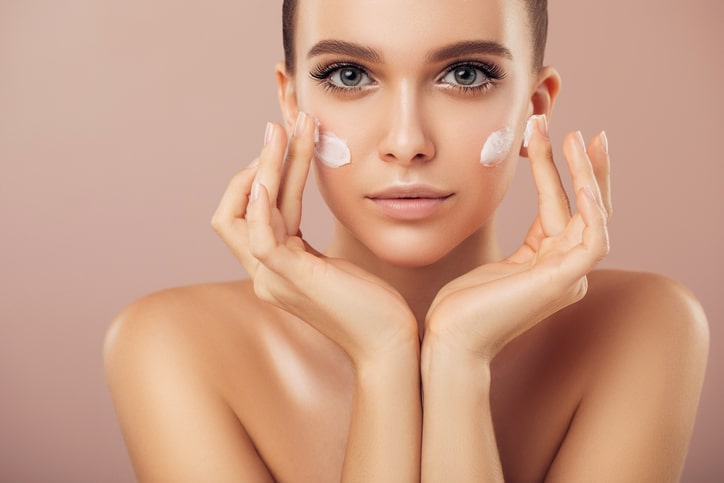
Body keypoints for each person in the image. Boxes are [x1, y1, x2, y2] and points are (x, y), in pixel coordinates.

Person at [103, 0, 710, 481]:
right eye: (348, 74)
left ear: (534, 108)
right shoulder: (170, 347)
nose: (406, 140)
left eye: (465, 74)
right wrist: (384, 356)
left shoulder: (643, 327)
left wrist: (458, 360)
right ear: (293, 104)